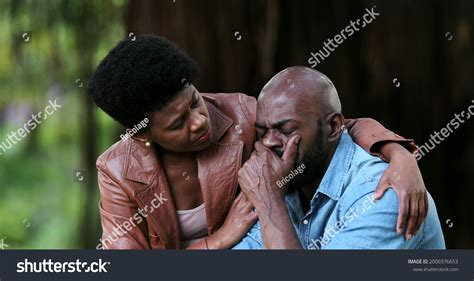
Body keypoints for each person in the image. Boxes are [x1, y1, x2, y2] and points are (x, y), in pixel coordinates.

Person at [88, 35, 427, 249]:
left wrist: (398, 155)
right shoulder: (118, 170)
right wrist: (217, 240)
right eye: (179, 123)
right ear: (144, 133)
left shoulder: (239, 116)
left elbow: (329, 125)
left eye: (194, 100)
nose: (200, 120)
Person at [234, 67, 445, 249]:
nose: (269, 142)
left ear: (333, 127)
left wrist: (270, 203)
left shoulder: (382, 196)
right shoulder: (279, 183)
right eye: (262, 133)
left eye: (286, 129)